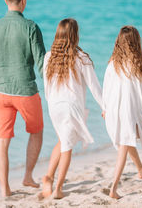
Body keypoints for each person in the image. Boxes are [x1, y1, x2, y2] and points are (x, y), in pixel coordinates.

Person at [0, 0, 46, 196]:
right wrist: (52, 86)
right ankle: (28, 176)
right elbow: (41, 62)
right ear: (24, 1)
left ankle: (4, 189)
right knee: (36, 131)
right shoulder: (30, 26)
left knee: (2, 141)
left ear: (5, 0)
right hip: (25, 89)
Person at [41, 18, 103, 199]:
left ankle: (48, 177)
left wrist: (51, 104)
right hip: (71, 107)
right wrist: (105, 107)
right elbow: (94, 87)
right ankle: (58, 187)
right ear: (75, 35)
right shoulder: (82, 58)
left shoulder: (48, 56)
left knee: (63, 141)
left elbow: (46, 86)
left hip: (54, 106)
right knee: (67, 147)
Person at [102, 25, 142, 199]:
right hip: (128, 110)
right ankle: (113, 189)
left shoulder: (112, 63)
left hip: (113, 109)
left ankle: (141, 170)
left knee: (126, 139)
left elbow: (106, 88)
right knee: (123, 148)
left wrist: (105, 108)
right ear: (136, 42)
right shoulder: (137, 64)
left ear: (119, 41)